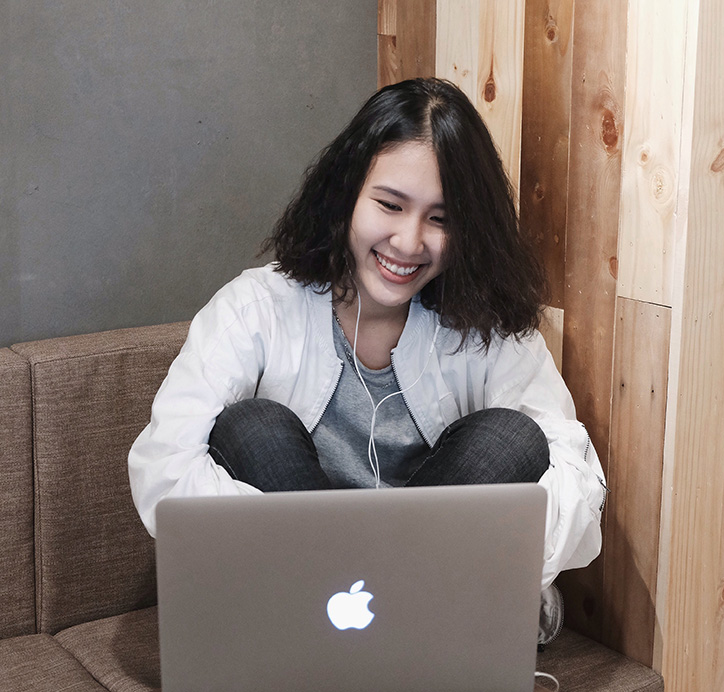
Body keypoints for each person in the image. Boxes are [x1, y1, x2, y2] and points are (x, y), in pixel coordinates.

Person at [128, 78, 606, 644]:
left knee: (512, 439)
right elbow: (165, 464)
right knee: (253, 429)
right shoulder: (257, 308)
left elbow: (576, 474)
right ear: (347, 192)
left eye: (440, 219)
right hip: (305, 587)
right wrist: (321, 557)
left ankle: (388, 639)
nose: (408, 242)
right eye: (390, 205)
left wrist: (450, 557)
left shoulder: (487, 322)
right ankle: (365, 640)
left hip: (435, 583)